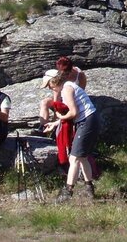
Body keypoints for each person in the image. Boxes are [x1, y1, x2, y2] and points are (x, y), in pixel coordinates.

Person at [44, 73, 102, 203]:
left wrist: (59, 117)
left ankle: (67, 192)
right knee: (82, 157)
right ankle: (89, 188)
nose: (49, 88)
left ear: (54, 81)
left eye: (49, 84)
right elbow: (72, 113)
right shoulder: (68, 87)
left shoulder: (66, 89)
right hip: (89, 120)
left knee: (74, 157)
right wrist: (54, 124)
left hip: (87, 121)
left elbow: (73, 113)